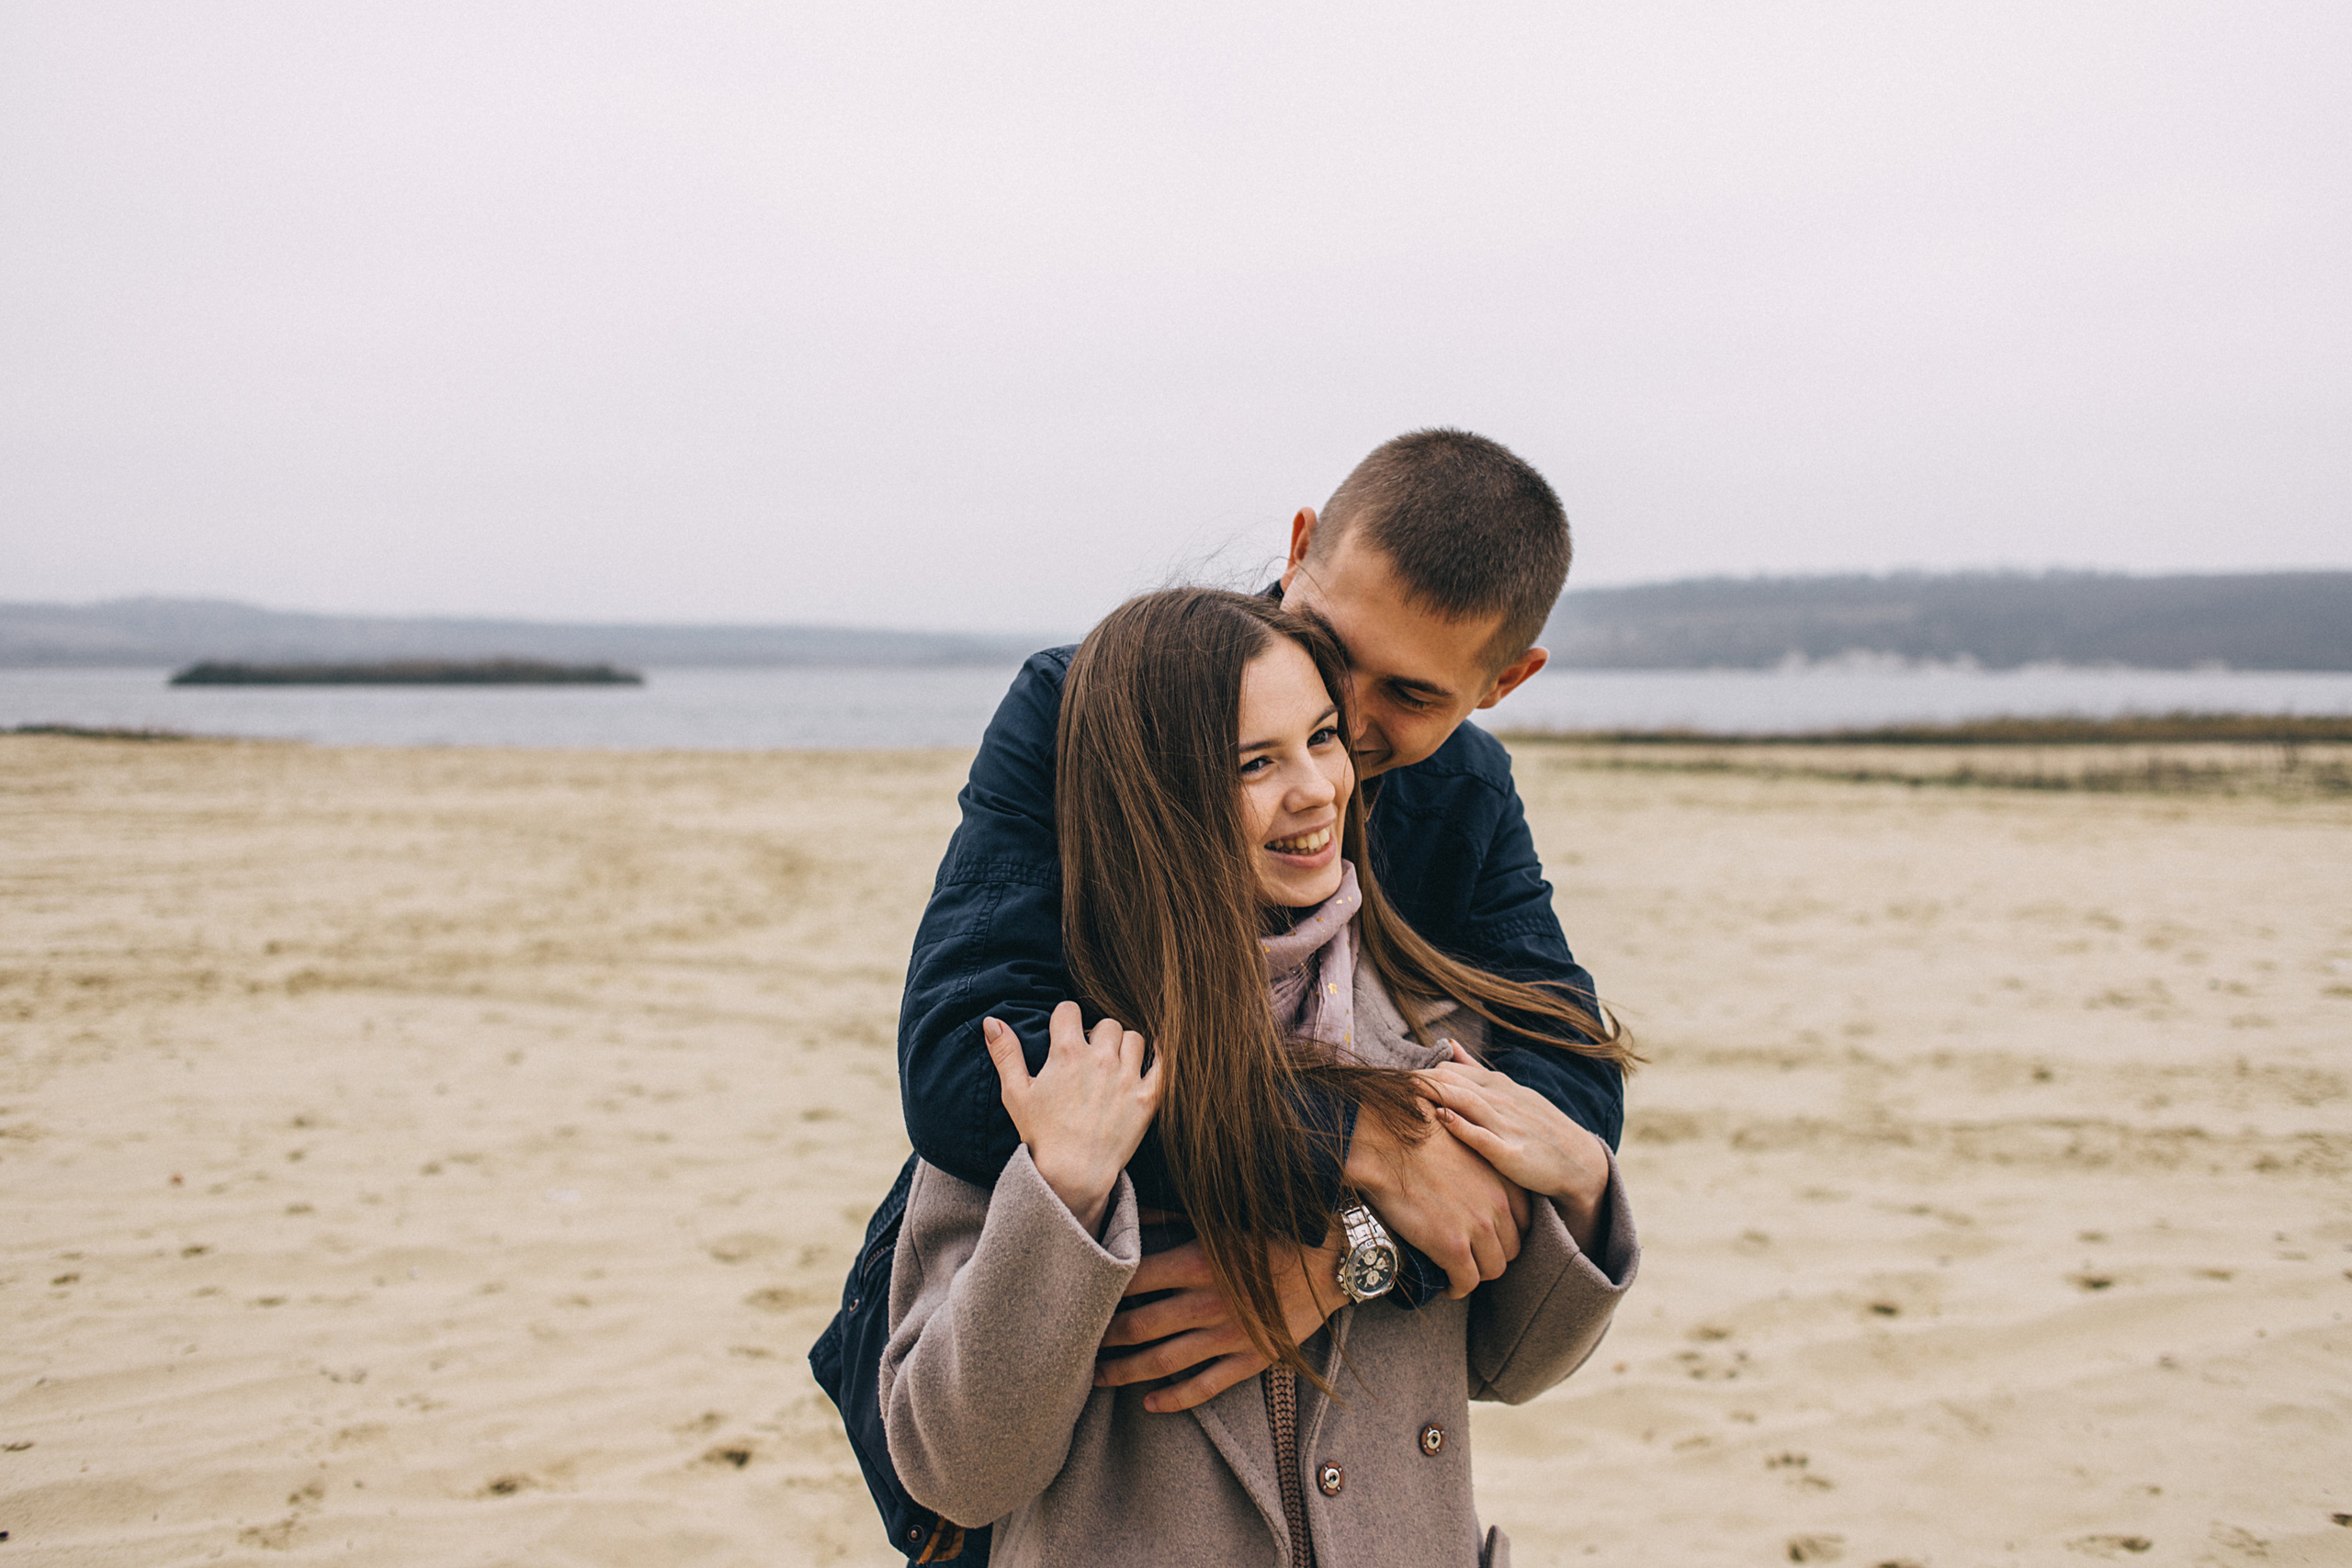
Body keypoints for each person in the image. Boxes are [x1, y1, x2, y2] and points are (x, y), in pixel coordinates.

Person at [809, 429, 1623, 1559]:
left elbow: (1568, 1083)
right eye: (1334, 647)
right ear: (1298, 549)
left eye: (1408, 699)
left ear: (1504, 683)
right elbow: (965, 1067)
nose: (1337, 737)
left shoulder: (1463, 793)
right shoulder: (1088, 705)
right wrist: (1352, 1142)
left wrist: (1342, 1258)